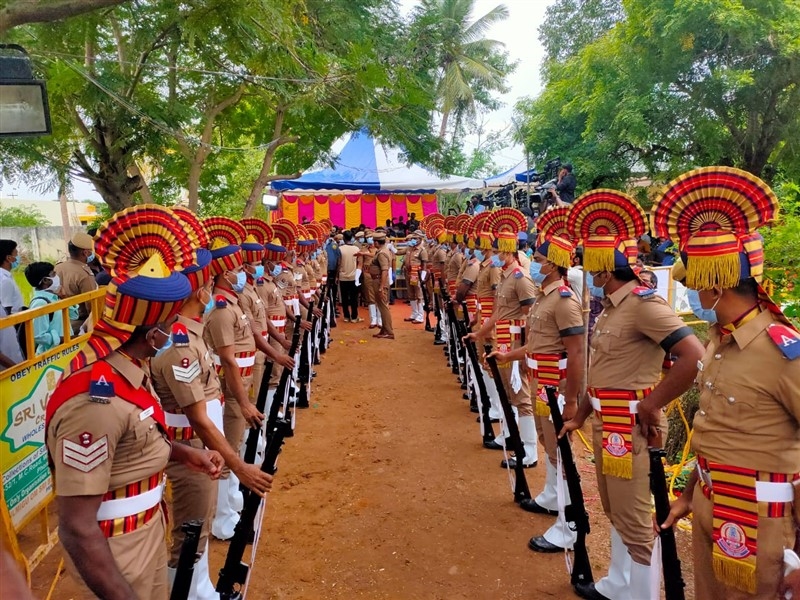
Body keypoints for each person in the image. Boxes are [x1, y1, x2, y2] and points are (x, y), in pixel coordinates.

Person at [45, 205, 223, 599]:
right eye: (170, 322)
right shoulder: (95, 401)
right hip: (114, 556)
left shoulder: (131, 372)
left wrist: (181, 453)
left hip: (145, 536)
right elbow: (76, 525)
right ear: (153, 333)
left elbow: (132, 442)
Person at [653, 166, 800, 600]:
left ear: (715, 281)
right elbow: (714, 432)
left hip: (763, 522)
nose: (692, 291)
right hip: (710, 505)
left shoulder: (782, 351)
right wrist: (691, 495)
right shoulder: (720, 338)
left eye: (695, 281)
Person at [560, 189, 704, 600]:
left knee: (636, 516)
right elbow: (602, 374)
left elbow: (692, 355)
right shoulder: (610, 307)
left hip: (629, 425)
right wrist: (581, 414)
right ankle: (617, 585)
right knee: (616, 508)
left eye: (592, 264)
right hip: (608, 422)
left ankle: (640, 593)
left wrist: (651, 402)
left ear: (606, 268)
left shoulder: (643, 305)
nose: (587, 271)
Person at [150, 215, 272, 598]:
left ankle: (199, 591)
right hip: (189, 450)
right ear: (200, 290)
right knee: (189, 535)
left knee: (197, 531)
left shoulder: (190, 334)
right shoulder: (179, 347)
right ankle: (190, 593)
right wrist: (238, 465)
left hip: (200, 449)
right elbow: (198, 418)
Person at [495, 225, 585, 553]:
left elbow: (576, 353)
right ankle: (551, 497)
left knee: (560, 451)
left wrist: (572, 399)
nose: (534, 262)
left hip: (557, 388)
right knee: (549, 444)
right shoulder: (546, 295)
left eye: (539, 258)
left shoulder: (563, 301)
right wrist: (509, 354)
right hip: (542, 383)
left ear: (553, 264)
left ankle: (569, 522)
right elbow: (537, 344)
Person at [202, 217, 262, 540]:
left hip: (243, 383)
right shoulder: (222, 310)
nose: (244, 272)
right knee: (229, 453)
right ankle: (224, 521)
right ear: (226, 273)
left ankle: (231, 504)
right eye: (239, 268)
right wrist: (242, 400)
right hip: (230, 391)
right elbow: (227, 358)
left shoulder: (232, 303)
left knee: (235, 446)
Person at [465, 209, 538, 470]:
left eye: (499, 251)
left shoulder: (521, 279)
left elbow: (530, 317)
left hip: (516, 342)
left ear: (507, 251)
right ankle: (511, 435)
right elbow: (498, 312)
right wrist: (480, 333)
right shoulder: (507, 275)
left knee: (521, 395)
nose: (495, 255)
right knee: (507, 391)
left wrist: (527, 352)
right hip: (503, 340)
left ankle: (529, 450)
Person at [54, 232, 98, 334]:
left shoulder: (58, 267)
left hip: (59, 323)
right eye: (93, 251)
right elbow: (91, 306)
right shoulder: (84, 274)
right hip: (79, 324)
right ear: (86, 253)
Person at [24, 261, 64, 355]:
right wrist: (60, 338)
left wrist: (64, 298)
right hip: (51, 354)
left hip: (64, 349)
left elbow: (73, 316)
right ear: (45, 280)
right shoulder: (40, 303)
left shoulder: (54, 297)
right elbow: (38, 335)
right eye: (53, 274)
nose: (56, 276)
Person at [0, 239, 25, 367]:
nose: (17, 257)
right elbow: (6, 309)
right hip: (11, 326)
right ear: (9, 258)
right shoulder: (4, 280)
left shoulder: (6, 276)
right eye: (16, 253)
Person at [370, 232, 393, 339]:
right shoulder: (383, 251)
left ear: (376, 242)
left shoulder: (382, 253)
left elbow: (384, 270)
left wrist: (381, 287)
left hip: (379, 281)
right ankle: (384, 329)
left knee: (383, 306)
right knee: (381, 305)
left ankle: (388, 331)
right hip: (378, 280)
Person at [338, 230, 361, 323]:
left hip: (342, 276)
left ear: (343, 238)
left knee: (344, 298)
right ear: (352, 238)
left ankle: (346, 316)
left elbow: (338, 263)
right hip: (353, 276)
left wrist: (337, 275)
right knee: (354, 298)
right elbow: (359, 263)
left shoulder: (340, 249)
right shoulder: (356, 249)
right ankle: (354, 317)